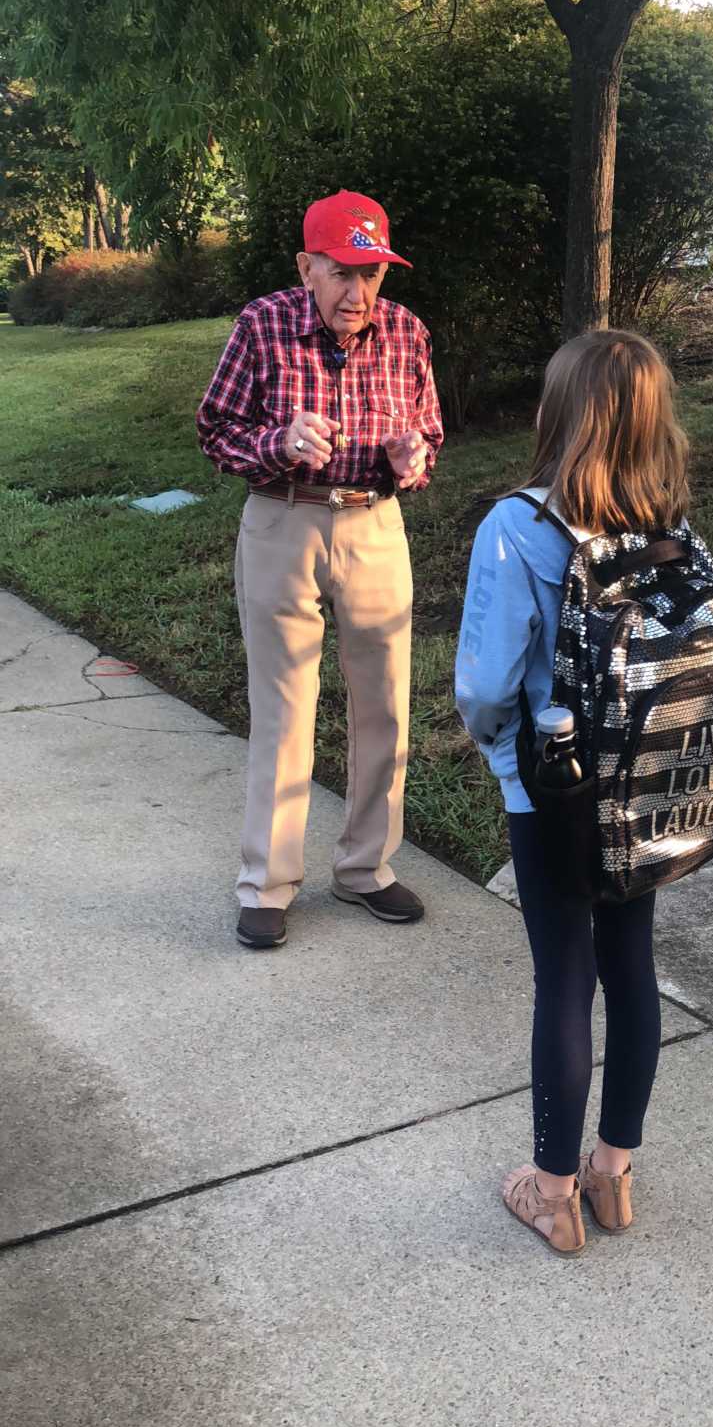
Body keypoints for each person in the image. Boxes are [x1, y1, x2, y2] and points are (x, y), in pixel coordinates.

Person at [456, 330, 691, 1255]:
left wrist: (500, 752)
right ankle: (612, 1174)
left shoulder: (519, 524)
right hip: (643, 787)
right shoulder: (669, 523)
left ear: (560, 413)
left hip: (552, 788)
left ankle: (550, 1193)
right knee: (629, 968)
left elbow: (482, 685)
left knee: (563, 974)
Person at [197, 189, 444, 950]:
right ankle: (267, 883)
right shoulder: (263, 325)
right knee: (283, 710)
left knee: (386, 705)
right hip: (283, 520)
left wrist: (414, 457)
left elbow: (427, 427)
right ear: (306, 266)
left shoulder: (405, 331)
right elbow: (216, 430)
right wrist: (279, 440)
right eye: (342, 272)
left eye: (372, 274)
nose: (358, 293)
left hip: (374, 523)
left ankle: (366, 869)